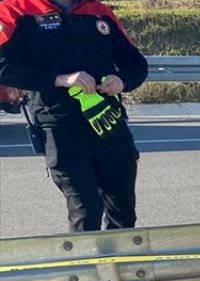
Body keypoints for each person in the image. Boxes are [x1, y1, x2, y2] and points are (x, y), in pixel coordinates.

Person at [0, 0, 147, 233]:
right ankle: (86, 268)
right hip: (59, 126)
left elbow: (136, 64)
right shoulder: (16, 9)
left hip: (107, 121)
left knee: (123, 211)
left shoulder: (99, 11)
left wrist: (122, 81)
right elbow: (3, 67)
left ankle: (119, 267)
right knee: (86, 211)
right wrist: (59, 79)